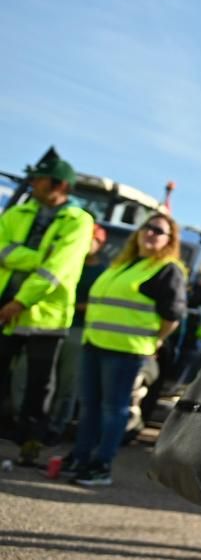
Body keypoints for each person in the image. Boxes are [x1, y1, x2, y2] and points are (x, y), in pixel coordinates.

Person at [66, 211, 187, 486]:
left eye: (159, 230)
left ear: (170, 240)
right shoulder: (125, 264)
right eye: (148, 227)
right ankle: (80, 458)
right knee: (89, 407)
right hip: (95, 344)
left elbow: (172, 316)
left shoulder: (167, 269)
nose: (150, 233)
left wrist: (154, 341)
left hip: (127, 351)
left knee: (114, 410)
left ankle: (101, 466)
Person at [0, 151, 97, 465]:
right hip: (5, 308)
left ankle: (30, 443)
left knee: (39, 385)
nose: (33, 183)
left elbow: (57, 267)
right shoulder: (16, 213)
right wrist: (35, 256)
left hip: (46, 315)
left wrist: (20, 300)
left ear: (58, 185)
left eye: (39, 179)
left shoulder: (79, 221)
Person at [44, 223, 109, 446]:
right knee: (45, 380)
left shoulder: (102, 273)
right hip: (52, 324)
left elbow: (96, 304)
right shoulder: (68, 263)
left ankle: (56, 427)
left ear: (100, 244)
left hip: (79, 330)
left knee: (67, 384)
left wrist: (72, 305)